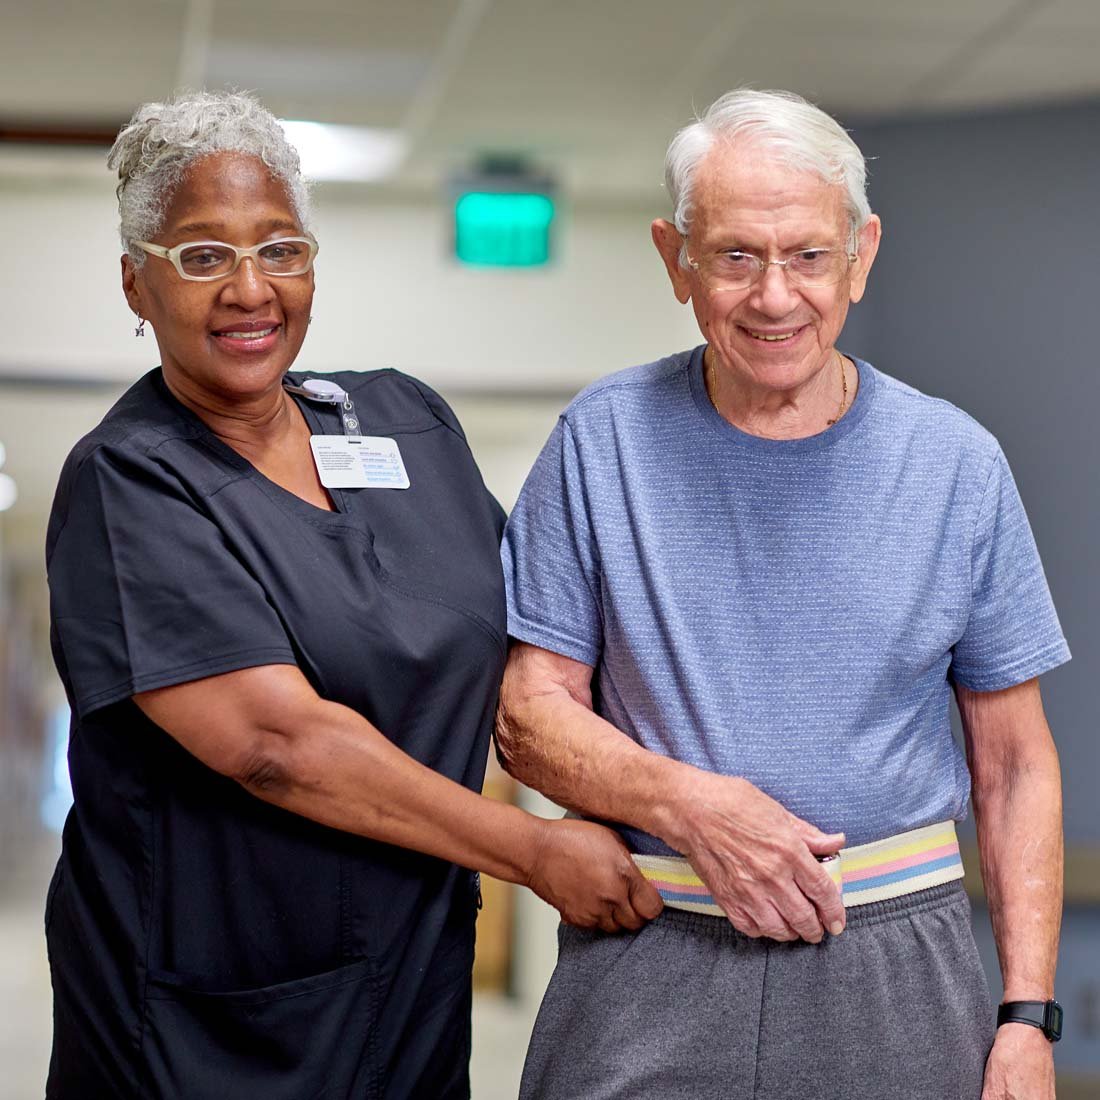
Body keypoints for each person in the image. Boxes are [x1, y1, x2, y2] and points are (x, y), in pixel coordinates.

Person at [44, 90, 660, 1100]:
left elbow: (540, 642)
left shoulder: (402, 420)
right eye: (202, 256)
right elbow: (277, 746)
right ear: (135, 285)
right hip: (214, 1026)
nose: (250, 289)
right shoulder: (130, 480)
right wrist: (535, 848)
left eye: (280, 248)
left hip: (407, 988)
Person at [497, 89, 1068, 1100]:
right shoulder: (601, 440)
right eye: (733, 257)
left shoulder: (954, 462)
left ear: (861, 254)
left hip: (895, 960)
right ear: (675, 260)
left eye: (806, 255)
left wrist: (1025, 1015)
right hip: (649, 951)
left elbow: (1014, 762)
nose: (773, 297)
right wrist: (695, 806)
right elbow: (529, 718)